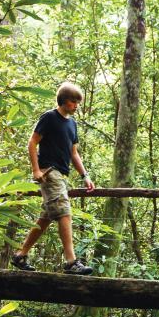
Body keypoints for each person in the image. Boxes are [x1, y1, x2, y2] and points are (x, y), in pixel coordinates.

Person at [10, 82, 95, 275]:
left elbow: (74, 153)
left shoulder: (72, 124)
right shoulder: (49, 117)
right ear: (64, 101)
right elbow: (32, 142)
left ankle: (20, 254)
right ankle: (71, 262)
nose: (76, 106)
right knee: (64, 212)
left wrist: (85, 176)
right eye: (74, 102)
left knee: (46, 217)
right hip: (49, 171)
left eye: (78, 102)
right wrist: (35, 170)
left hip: (62, 174)